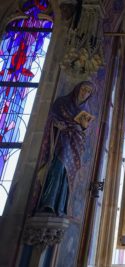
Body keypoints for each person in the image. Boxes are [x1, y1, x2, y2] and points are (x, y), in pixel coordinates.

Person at [37, 81, 95, 216]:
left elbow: (85, 132)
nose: (85, 93)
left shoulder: (85, 111)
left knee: (67, 175)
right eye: (83, 89)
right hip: (61, 141)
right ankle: (48, 203)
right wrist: (59, 124)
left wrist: (82, 128)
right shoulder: (62, 102)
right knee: (57, 169)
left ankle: (60, 207)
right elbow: (52, 118)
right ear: (77, 88)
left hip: (74, 145)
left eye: (88, 92)